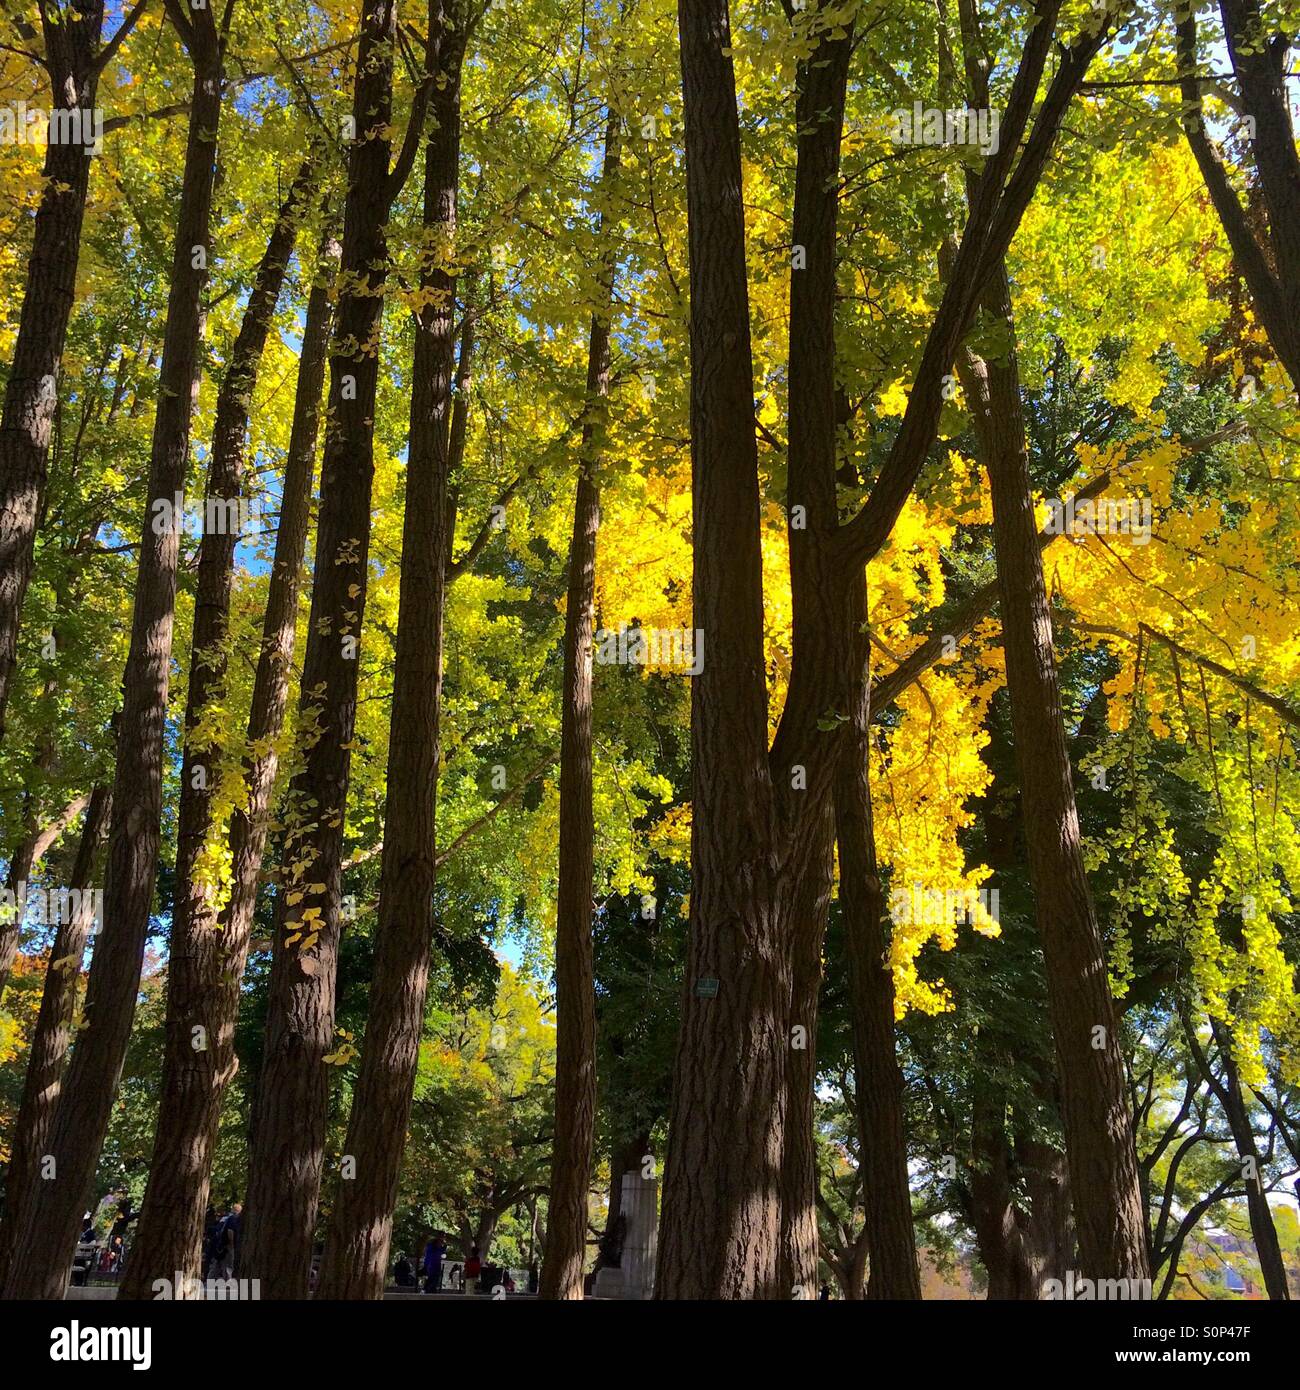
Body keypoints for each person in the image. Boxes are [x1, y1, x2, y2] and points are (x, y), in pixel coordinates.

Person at [215, 1202, 242, 1279]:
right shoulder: (233, 1218)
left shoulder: (225, 1218)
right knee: (230, 1264)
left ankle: (224, 1280)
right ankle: (229, 1282)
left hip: (221, 1244)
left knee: (223, 1264)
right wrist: (232, 1244)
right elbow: (230, 1231)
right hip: (229, 1244)